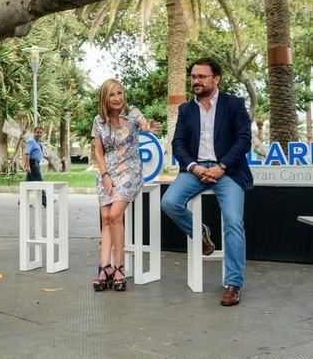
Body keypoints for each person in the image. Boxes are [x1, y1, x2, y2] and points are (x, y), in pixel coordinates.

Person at [161, 57, 252, 306]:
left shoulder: (234, 104)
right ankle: (200, 233)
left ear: (216, 79)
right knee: (169, 202)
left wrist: (222, 167)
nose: (196, 81)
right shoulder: (186, 109)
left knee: (233, 221)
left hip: (228, 171)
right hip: (195, 170)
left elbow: (244, 140)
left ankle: (233, 283)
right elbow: (178, 143)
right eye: (193, 76)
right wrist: (194, 166)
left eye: (201, 76)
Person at [91, 78, 160, 292]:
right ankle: (105, 267)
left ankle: (120, 267)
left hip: (130, 170)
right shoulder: (98, 121)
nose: (117, 98)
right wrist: (104, 175)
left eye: (120, 93)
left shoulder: (133, 114)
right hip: (107, 173)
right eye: (112, 94)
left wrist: (150, 128)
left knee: (114, 216)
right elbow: (98, 152)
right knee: (105, 218)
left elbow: (145, 126)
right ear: (105, 98)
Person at [24, 126, 46, 206]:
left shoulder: (38, 142)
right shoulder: (31, 141)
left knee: (26, 184)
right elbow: (27, 153)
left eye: (40, 133)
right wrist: (27, 166)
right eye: (37, 132)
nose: (39, 134)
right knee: (40, 182)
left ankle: (22, 201)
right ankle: (45, 201)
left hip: (36, 163)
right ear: (34, 132)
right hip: (32, 164)